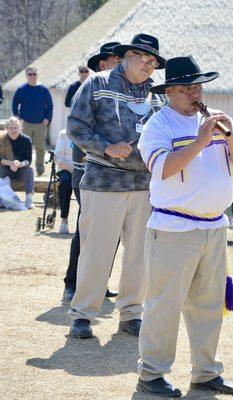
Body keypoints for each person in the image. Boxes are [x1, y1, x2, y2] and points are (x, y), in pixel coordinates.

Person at [136, 56, 233, 398]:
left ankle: (206, 372)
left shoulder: (216, 120)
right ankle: (152, 374)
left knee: (208, 304)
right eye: (187, 87)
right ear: (169, 91)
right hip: (173, 230)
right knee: (164, 305)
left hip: (214, 228)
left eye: (198, 85)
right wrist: (201, 142)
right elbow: (164, 169)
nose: (195, 92)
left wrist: (230, 137)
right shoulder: (158, 125)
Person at [67, 33, 166, 339]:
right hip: (103, 182)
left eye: (153, 62)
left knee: (140, 255)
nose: (149, 66)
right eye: (144, 59)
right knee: (96, 252)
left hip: (143, 186)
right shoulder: (97, 83)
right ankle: (83, 314)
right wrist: (105, 146)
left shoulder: (157, 94)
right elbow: (75, 126)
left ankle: (131, 314)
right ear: (127, 56)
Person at [63, 43, 121, 302]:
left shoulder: (124, 94)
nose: (121, 66)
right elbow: (78, 131)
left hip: (117, 176)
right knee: (86, 229)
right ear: (103, 65)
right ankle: (73, 282)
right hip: (87, 170)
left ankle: (100, 282)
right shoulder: (90, 89)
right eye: (116, 60)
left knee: (112, 232)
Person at [12, 66, 53, 176]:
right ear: (26, 76)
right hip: (25, 124)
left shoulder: (43, 89)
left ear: (37, 75)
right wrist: (18, 118)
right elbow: (14, 104)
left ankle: (40, 170)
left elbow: (50, 106)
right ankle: (23, 169)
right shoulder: (21, 90)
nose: (32, 76)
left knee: (40, 148)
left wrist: (47, 119)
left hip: (40, 124)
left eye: (34, 74)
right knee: (24, 147)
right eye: (30, 74)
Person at [0, 116, 34, 209]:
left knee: (29, 170)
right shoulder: (2, 139)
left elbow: (28, 160)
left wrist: (19, 164)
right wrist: (11, 163)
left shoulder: (26, 140)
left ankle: (29, 199)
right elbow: (0, 159)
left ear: (20, 128)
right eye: (11, 128)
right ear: (6, 128)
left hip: (20, 170)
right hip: (5, 170)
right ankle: (2, 199)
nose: (13, 130)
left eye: (16, 127)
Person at [54, 129, 73, 234]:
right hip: (66, 168)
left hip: (85, 170)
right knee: (65, 183)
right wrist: (72, 169)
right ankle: (64, 220)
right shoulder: (63, 134)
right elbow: (58, 158)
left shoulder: (89, 132)